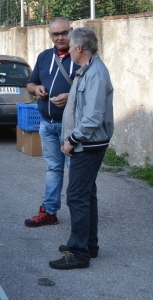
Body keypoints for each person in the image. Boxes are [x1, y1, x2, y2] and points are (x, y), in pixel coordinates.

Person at [49, 27, 114, 270]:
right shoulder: (87, 70)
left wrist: (72, 140)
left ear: (78, 48)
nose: (66, 48)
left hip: (88, 143)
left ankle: (78, 252)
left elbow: (93, 117)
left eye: (70, 46)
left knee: (77, 195)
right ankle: (89, 245)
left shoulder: (95, 73)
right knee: (87, 193)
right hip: (87, 141)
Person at [25, 18, 80, 228]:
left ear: (71, 32)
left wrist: (70, 96)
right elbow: (30, 83)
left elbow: (90, 90)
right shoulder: (45, 56)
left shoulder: (80, 56)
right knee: (53, 169)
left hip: (71, 128)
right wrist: (35, 89)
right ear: (50, 36)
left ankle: (80, 216)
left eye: (64, 33)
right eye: (55, 34)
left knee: (75, 172)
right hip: (46, 124)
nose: (60, 37)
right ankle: (49, 212)